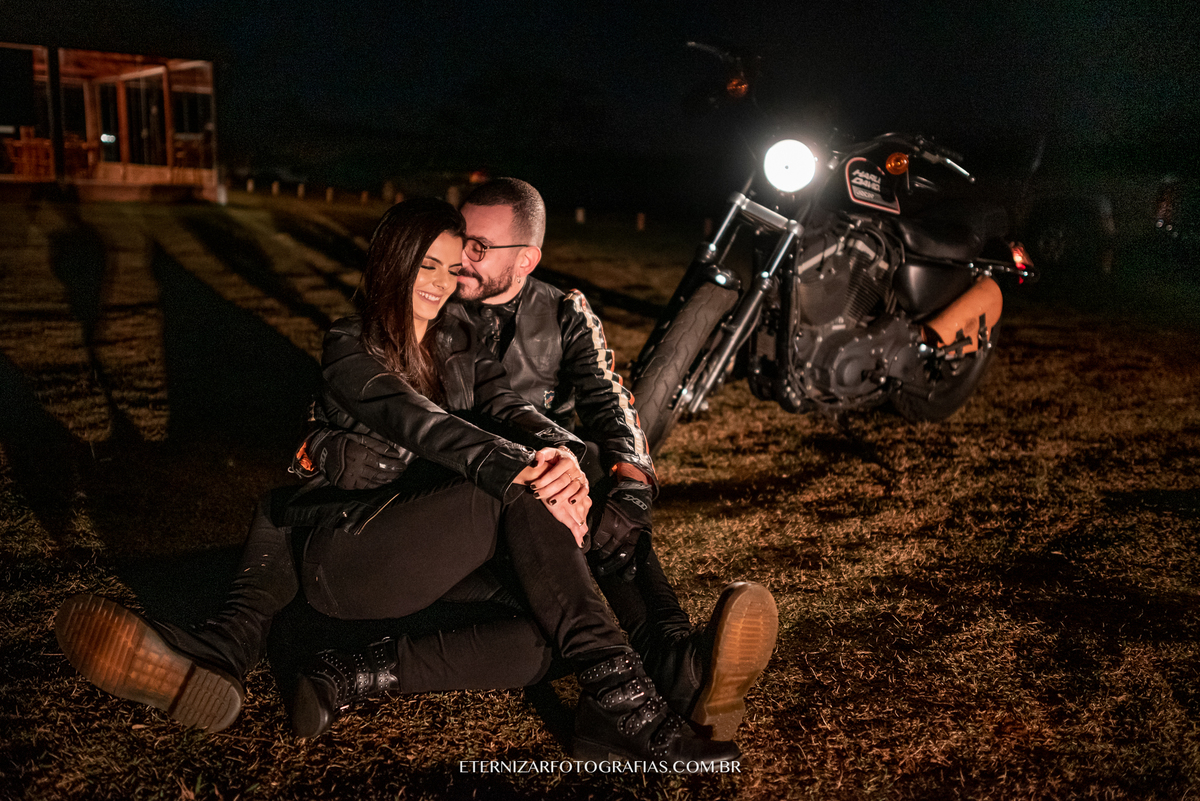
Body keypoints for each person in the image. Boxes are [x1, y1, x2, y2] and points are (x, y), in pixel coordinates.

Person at [56, 198, 739, 764]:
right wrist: (527, 467)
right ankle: (634, 710)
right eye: (426, 265)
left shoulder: (463, 339)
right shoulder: (350, 343)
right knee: (517, 490)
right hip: (350, 554)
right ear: (393, 263)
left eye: (452, 266)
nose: (442, 282)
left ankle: (358, 673)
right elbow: (422, 424)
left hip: (433, 558)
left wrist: (569, 457)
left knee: (554, 610)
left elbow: (510, 410)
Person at [293, 178, 778, 742]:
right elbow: (408, 420)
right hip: (443, 506)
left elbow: (589, 400)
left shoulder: (547, 315)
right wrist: (317, 450)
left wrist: (607, 471)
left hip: (506, 505)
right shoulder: (392, 330)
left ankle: (668, 659)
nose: (459, 264)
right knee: (544, 495)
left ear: (525, 260)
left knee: (591, 514)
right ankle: (636, 690)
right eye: (450, 250)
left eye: (474, 249)